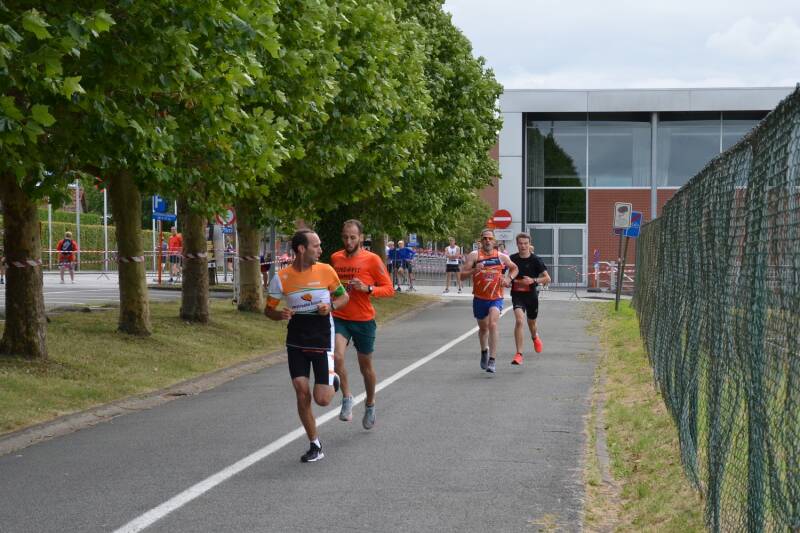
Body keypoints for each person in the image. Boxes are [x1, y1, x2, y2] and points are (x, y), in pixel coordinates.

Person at [264, 229, 349, 462]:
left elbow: (344, 298)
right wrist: (279, 314)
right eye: (316, 246)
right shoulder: (281, 278)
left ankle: (334, 380)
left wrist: (330, 306)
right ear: (302, 249)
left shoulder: (326, 271)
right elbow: (268, 310)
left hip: (322, 336)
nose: (321, 250)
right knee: (302, 393)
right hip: (296, 339)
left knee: (321, 399)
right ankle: (315, 445)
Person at [331, 220, 395, 429]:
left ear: (361, 237)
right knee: (337, 356)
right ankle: (347, 397)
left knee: (365, 367)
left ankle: (370, 404)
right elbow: (332, 285)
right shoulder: (336, 258)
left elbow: (389, 289)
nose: (348, 241)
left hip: (364, 320)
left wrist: (367, 288)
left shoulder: (372, 259)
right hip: (340, 316)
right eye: (345, 237)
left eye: (352, 237)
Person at [460, 228, 518, 373]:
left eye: (490, 238)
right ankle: (484, 351)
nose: (487, 241)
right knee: (483, 328)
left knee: (492, 324)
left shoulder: (501, 256)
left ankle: (492, 360)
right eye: (485, 238)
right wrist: (475, 269)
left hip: (496, 297)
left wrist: (508, 278)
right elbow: (461, 276)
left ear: (494, 241)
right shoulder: (474, 256)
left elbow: (514, 268)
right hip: (479, 298)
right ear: (481, 241)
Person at [509, 233, 551, 365]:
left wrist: (533, 280)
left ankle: (534, 337)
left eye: (525, 243)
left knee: (531, 323)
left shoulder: (536, 260)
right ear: (517, 244)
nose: (523, 246)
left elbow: (547, 279)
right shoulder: (512, 258)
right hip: (517, 295)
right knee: (519, 320)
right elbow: (503, 272)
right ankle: (519, 354)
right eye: (520, 243)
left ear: (529, 244)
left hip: (531, 296)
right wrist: (506, 280)